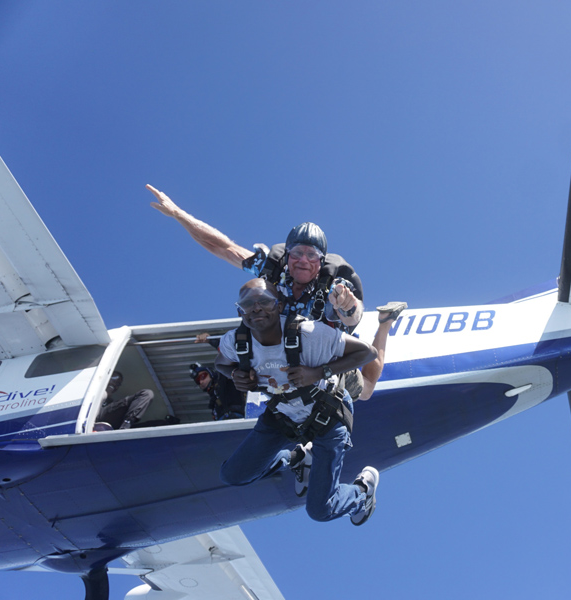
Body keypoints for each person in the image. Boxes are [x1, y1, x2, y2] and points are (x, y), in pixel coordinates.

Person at [146, 184, 399, 401]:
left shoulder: (331, 286)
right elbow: (221, 246)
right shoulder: (272, 269)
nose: (303, 260)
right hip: (282, 351)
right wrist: (178, 214)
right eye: (297, 252)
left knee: (366, 390)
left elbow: (353, 317)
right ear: (287, 254)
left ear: (321, 262)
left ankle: (384, 325)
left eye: (312, 255)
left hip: (322, 353)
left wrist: (346, 303)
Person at [215, 278, 380, 525]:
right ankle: (296, 458)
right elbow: (220, 363)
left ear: (279, 305)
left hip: (327, 413)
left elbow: (367, 353)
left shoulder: (309, 333)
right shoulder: (236, 342)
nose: (256, 308)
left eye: (264, 301)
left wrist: (318, 372)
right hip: (283, 415)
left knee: (321, 510)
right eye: (248, 304)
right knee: (233, 475)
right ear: (240, 310)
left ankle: (361, 494)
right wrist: (235, 375)